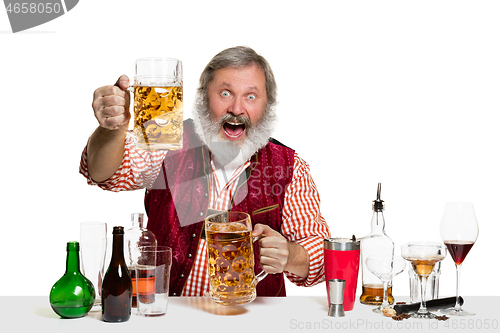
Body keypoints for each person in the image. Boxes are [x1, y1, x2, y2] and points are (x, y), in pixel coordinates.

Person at [80, 46, 331, 297]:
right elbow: (103, 173)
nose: (236, 108)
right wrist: (112, 128)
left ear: (268, 105)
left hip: (250, 321)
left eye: (251, 97)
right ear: (203, 97)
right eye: (225, 93)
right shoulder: (170, 141)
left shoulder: (289, 166)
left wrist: (288, 254)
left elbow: (323, 256)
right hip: (166, 317)